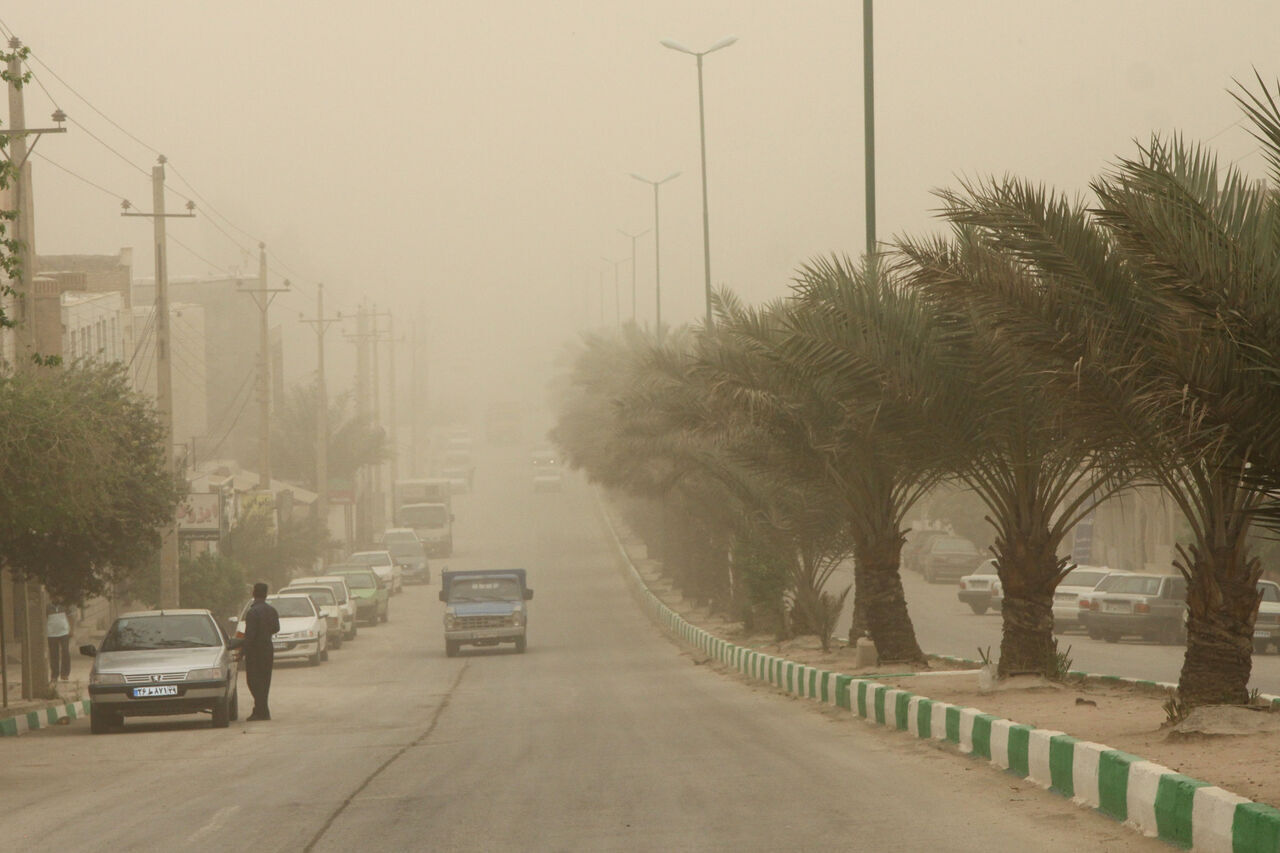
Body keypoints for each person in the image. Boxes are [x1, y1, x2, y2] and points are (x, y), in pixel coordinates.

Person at [242, 582, 280, 721]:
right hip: (267, 649)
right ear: (266, 594)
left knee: (253, 681)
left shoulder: (253, 612)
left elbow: (250, 636)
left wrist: (243, 652)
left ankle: (261, 711)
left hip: (255, 651)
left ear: (253, 593)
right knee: (265, 680)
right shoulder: (272, 610)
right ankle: (262, 710)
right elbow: (276, 628)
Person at [46, 602, 72, 683]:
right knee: (54, 654)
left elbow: (71, 617)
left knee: (65, 651)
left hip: (64, 632)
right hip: (51, 633)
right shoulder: (47, 607)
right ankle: (54, 675)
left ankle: (65, 674)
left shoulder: (65, 605)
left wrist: (72, 629)